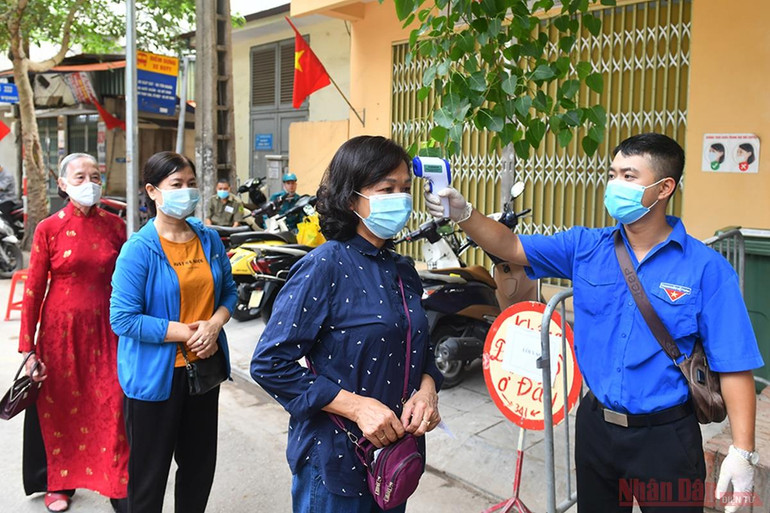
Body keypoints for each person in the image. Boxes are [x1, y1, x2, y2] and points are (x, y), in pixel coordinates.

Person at [425, 133, 763, 513]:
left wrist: (742, 451)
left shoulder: (706, 268)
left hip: (665, 439)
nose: (615, 184)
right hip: (595, 429)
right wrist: (464, 214)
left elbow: (733, 363)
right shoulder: (585, 246)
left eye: (629, 176)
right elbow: (511, 247)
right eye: (613, 173)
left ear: (664, 187)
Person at [251, 135, 443, 512]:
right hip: (335, 462)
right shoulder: (325, 265)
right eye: (387, 188)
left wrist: (428, 390)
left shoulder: (403, 269)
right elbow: (270, 363)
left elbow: (421, 349)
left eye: (405, 189)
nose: (401, 199)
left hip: (394, 461)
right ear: (352, 197)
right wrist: (357, 408)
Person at [109, 151, 237, 513]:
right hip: (155, 380)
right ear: (153, 191)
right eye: (176, 185)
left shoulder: (208, 239)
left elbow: (229, 292)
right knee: (149, 476)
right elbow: (123, 319)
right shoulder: (139, 249)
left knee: (198, 470)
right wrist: (186, 332)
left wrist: (214, 324)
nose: (187, 192)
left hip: (204, 372)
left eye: (192, 184)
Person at [19, 153, 129, 512]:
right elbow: (33, 289)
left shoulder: (116, 227)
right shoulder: (48, 228)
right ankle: (59, 484)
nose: (89, 183)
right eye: (80, 177)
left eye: (95, 176)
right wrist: (28, 349)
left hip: (108, 330)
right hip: (60, 333)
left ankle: (115, 479)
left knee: (112, 403)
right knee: (61, 406)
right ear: (63, 185)